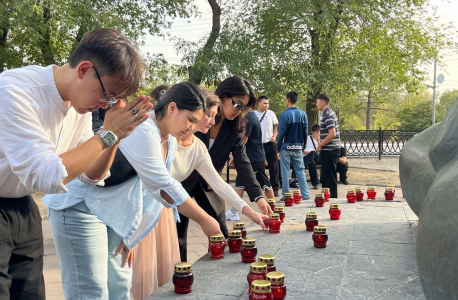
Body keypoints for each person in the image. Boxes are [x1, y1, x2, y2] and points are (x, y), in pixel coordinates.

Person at [0, 28, 151, 300]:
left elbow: (91, 176)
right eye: (106, 94)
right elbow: (45, 175)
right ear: (84, 70)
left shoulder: (77, 105)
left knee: (30, 294)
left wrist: (116, 135)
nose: (105, 104)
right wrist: (107, 135)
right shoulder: (15, 90)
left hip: (22, 206)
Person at [44, 82, 222, 300]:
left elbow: (149, 191)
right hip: (80, 205)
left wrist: (133, 232)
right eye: (191, 119)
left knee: (119, 284)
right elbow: (163, 184)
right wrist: (206, 221)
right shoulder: (145, 128)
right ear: (172, 108)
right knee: (91, 290)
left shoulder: (168, 138)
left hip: (112, 211)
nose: (192, 127)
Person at [131, 88, 268, 299]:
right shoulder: (162, 135)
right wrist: (205, 220)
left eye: (215, 116)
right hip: (143, 209)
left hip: (164, 211)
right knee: (140, 277)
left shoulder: (197, 147)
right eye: (209, 115)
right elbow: (163, 183)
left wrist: (249, 211)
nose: (212, 121)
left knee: (165, 277)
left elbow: (219, 183)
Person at [176, 76, 273, 262]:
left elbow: (242, 162)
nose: (240, 112)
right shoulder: (198, 119)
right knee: (178, 234)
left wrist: (258, 196)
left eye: (244, 108)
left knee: (221, 232)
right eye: (237, 105)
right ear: (223, 96)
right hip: (180, 183)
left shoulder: (236, 128)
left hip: (210, 183)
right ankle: (181, 272)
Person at [229, 109, 276, 220]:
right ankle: (233, 211)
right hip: (250, 157)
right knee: (239, 184)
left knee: (264, 183)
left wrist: (235, 154)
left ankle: (273, 209)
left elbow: (243, 140)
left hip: (253, 157)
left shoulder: (249, 119)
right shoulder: (252, 116)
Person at [277, 91, 310, 201]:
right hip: (298, 146)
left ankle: (286, 195)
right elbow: (305, 132)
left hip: (286, 147)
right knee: (300, 171)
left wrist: (278, 148)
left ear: (287, 100)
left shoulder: (284, 115)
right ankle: (305, 195)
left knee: (285, 171)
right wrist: (303, 145)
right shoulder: (303, 114)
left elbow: (281, 133)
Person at [316, 93, 341, 198]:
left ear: (323, 102)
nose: (316, 105)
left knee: (329, 177)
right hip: (330, 150)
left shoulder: (328, 115)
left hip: (330, 150)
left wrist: (320, 144)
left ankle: (332, 199)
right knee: (326, 176)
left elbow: (332, 134)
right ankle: (327, 197)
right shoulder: (328, 113)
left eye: (317, 102)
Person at [254, 95, 280, 197]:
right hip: (258, 145)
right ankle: (262, 187)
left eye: (267, 103)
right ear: (258, 103)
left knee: (273, 165)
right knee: (259, 167)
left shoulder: (271, 114)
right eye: (264, 103)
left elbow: (277, 126)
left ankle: (275, 187)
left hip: (270, 144)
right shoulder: (254, 115)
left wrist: (274, 136)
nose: (266, 105)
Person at [290, 124, 320, 189]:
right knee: (312, 163)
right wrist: (308, 152)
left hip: (317, 157)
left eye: (319, 132)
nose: (318, 133)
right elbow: (300, 149)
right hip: (307, 158)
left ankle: (293, 177)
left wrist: (318, 141)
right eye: (316, 132)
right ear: (312, 132)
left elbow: (321, 151)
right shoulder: (307, 139)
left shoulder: (322, 140)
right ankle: (315, 183)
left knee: (313, 152)